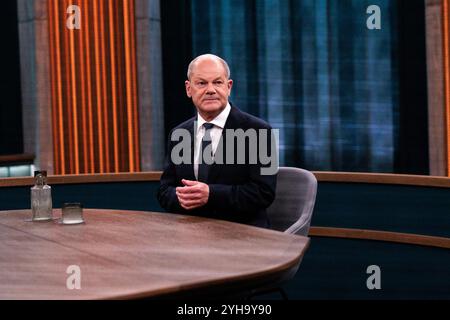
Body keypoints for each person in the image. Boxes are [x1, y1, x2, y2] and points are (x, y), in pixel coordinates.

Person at [157, 54, 277, 227]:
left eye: (217, 82)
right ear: (188, 89)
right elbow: (164, 191)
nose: (210, 89)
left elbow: (264, 193)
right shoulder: (179, 133)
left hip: (243, 236)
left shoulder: (260, 131)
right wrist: (184, 198)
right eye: (201, 83)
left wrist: (211, 194)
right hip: (192, 234)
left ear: (229, 87)